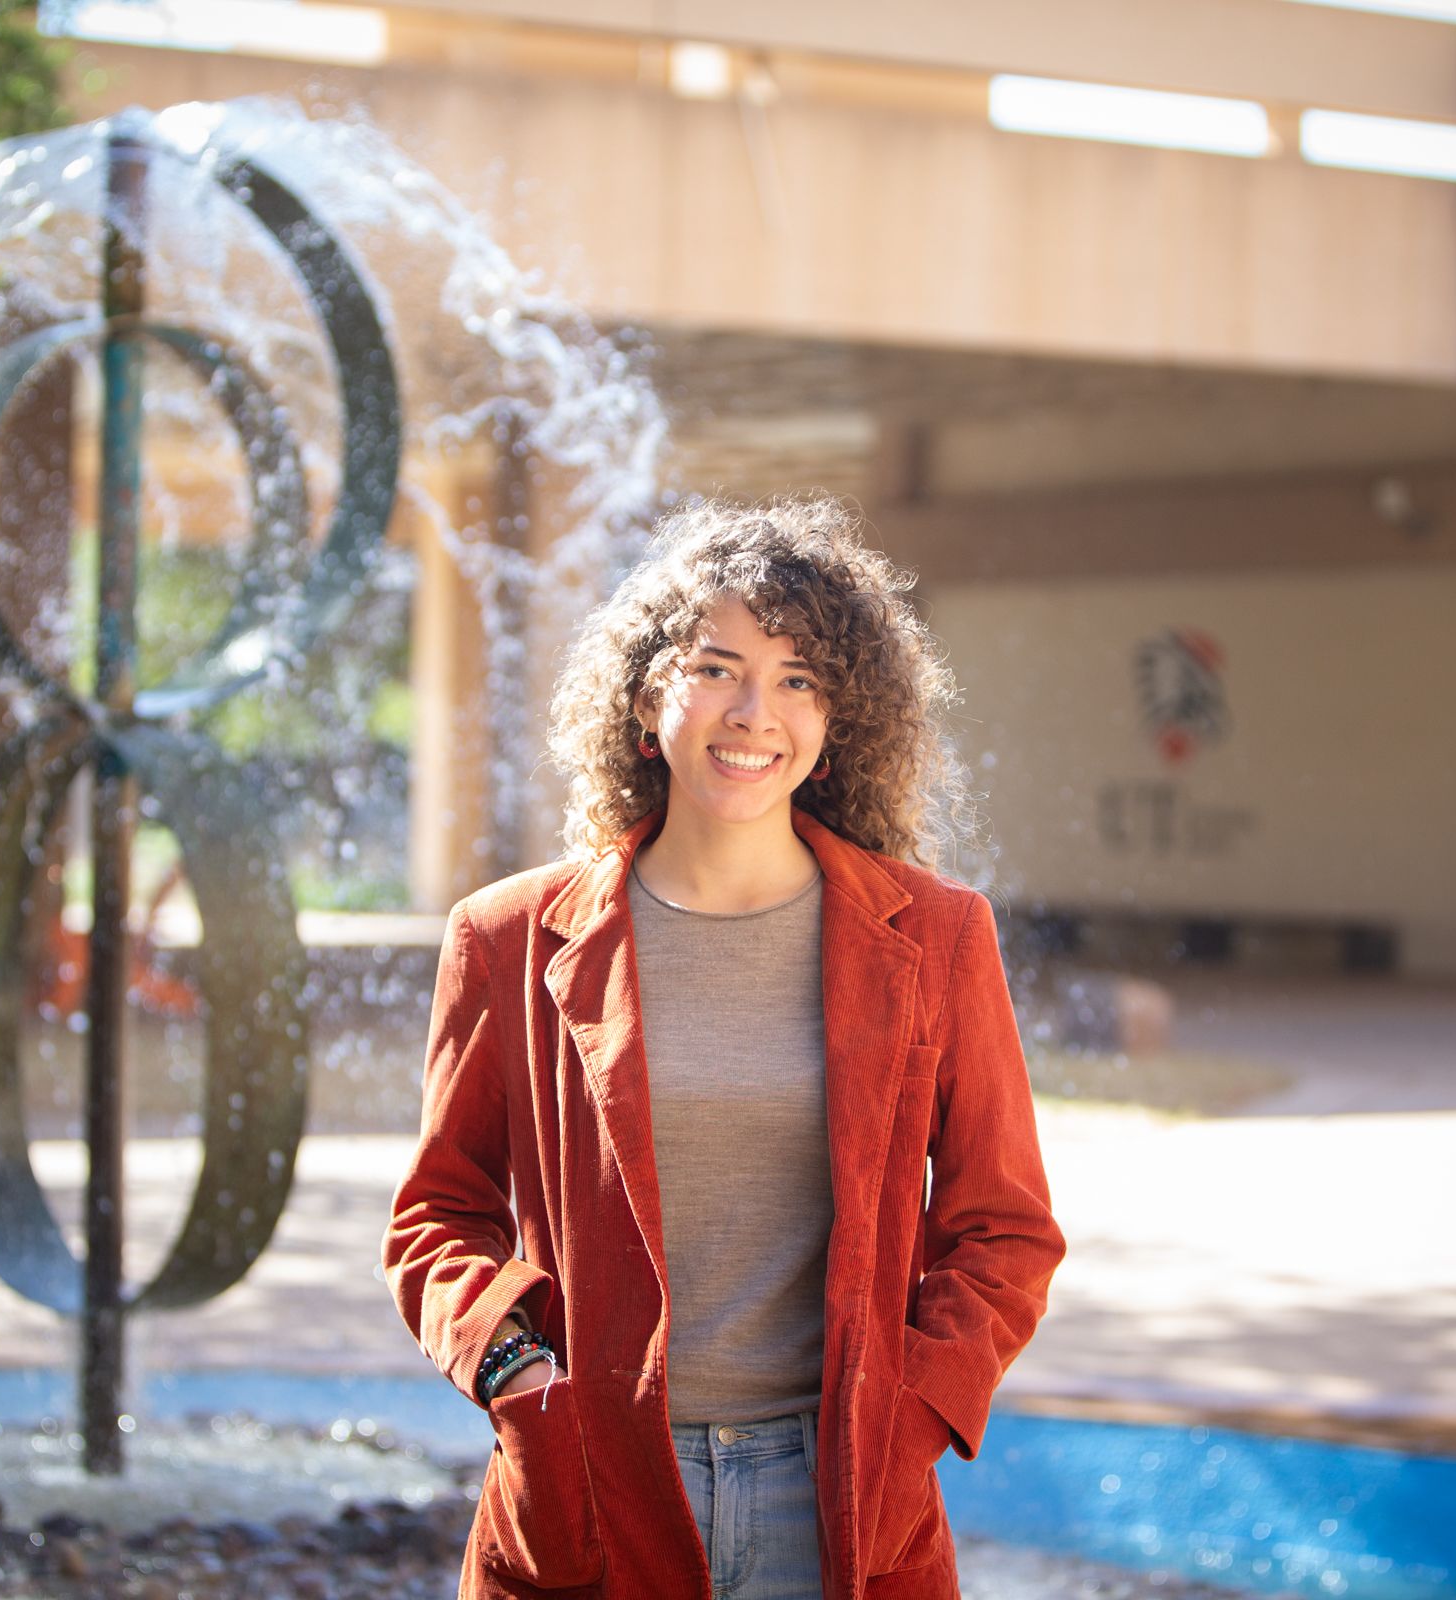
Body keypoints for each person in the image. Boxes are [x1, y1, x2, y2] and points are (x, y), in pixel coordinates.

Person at [383, 497, 1065, 1600]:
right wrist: (519, 1378)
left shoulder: (938, 935)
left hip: (839, 1498)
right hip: (589, 1491)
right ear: (650, 694)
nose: (756, 712)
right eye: (717, 667)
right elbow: (436, 1216)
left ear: (842, 719)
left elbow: (1006, 1230)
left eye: (800, 679)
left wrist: (911, 1413)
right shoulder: (505, 935)